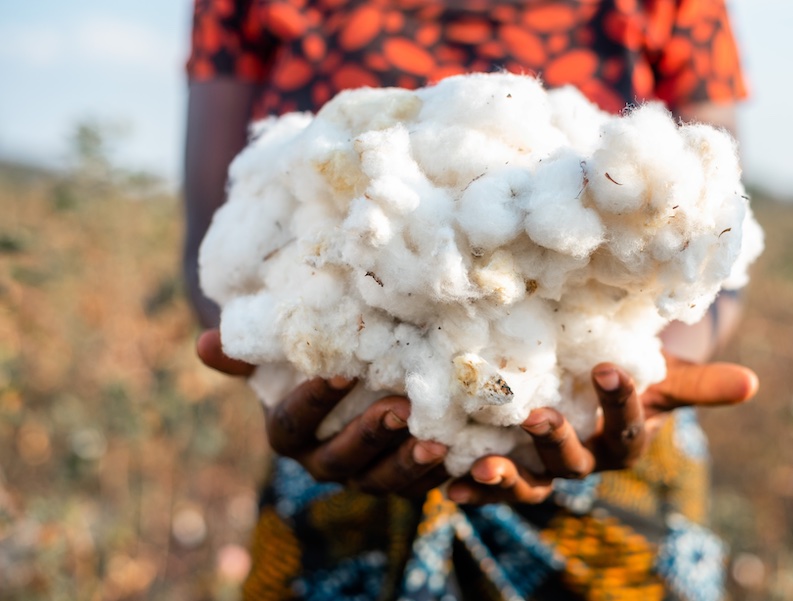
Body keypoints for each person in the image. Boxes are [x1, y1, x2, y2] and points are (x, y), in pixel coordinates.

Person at [184, 1, 758, 599]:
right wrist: (285, 366)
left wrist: (637, 384)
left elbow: (716, 234)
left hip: (613, 467)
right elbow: (210, 242)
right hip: (336, 462)